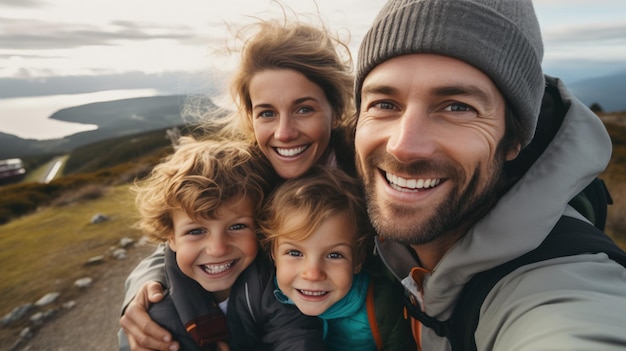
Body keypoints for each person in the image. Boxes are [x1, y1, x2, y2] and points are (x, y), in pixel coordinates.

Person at [350, 0, 626, 349]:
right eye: (384, 104)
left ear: (513, 141)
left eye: (457, 107)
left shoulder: (558, 290)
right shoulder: (360, 232)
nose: (403, 147)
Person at [120, 17, 356, 351]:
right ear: (249, 115)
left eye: (303, 109)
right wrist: (142, 288)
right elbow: (179, 234)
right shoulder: (251, 176)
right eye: (266, 113)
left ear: (336, 108)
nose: (284, 132)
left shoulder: (364, 173)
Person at [120, 137, 324, 350]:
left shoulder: (272, 284)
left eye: (237, 227)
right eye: (196, 231)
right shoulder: (163, 312)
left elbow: (297, 337)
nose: (218, 249)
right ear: (170, 237)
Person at [260, 165, 414, 351]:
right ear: (273, 254)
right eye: (295, 253)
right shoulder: (263, 299)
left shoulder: (381, 305)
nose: (313, 274)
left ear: (358, 260)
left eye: (334, 255)